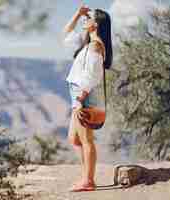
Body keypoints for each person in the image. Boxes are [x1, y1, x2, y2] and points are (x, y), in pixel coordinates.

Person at [62, 4, 113, 192]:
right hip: (79, 95)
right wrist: (77, 14)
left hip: (85, 97)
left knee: (85, 139)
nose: (85, 20)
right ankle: (86, 176)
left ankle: (88, 181)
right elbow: (66, 34)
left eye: (88, 18)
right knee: (74, 139)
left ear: (96, 24)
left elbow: (92, 75)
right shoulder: (88, 43)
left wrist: (80, 99)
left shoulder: (95, 46)